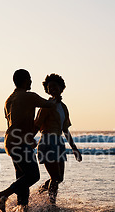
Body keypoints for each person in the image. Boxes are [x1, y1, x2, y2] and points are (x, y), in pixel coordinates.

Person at [0, 69, 57, 212]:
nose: (31, 81)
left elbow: (15, 122)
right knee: (33, 175)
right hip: (20, 143)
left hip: (10, 142)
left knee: (22, 177)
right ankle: (4, 194)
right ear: (24, 80)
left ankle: (23, 210)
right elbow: (50, 105)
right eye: (29, 79)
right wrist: (56, 95)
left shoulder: (9, 100)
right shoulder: (29, 96)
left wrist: (28, 137)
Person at [34, 73, 81, 204]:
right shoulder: (47, 105)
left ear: (61, 88)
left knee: (59, 178)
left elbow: (65, 129)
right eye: (50, 87)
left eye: (55, 86)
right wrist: (27, 139)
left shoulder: (63, 107)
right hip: (47, 141)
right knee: (54, 178)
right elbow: (37, 124)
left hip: (59, 142)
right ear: (47, 90)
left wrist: (74, 148)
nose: (52, 89)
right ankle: (51, 204)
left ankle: (37, 194)